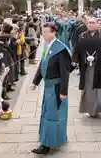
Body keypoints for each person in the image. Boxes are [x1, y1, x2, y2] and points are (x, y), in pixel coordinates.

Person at [31, 22, 72, 155]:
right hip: (48, 87)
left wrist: (63, 92)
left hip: (56, 88)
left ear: (54, 32)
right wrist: (35, 82)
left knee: (52, 115)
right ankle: (52, 139)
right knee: (48, 114)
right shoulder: (47, 46)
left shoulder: (61, 49)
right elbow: (42, 65)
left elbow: (65, 72)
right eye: (42, 32)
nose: (43, 34)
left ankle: (46, 145)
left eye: (45, 32)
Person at [72, 16, 101, 123]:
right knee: (88, 89)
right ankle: (91, 110)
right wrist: (74, 60)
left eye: (92, 23)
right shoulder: (82, 36)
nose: (90, 24)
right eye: (89, 23)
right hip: (86, 67)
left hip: (100, 67)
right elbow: (77, 50)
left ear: (97, 24)